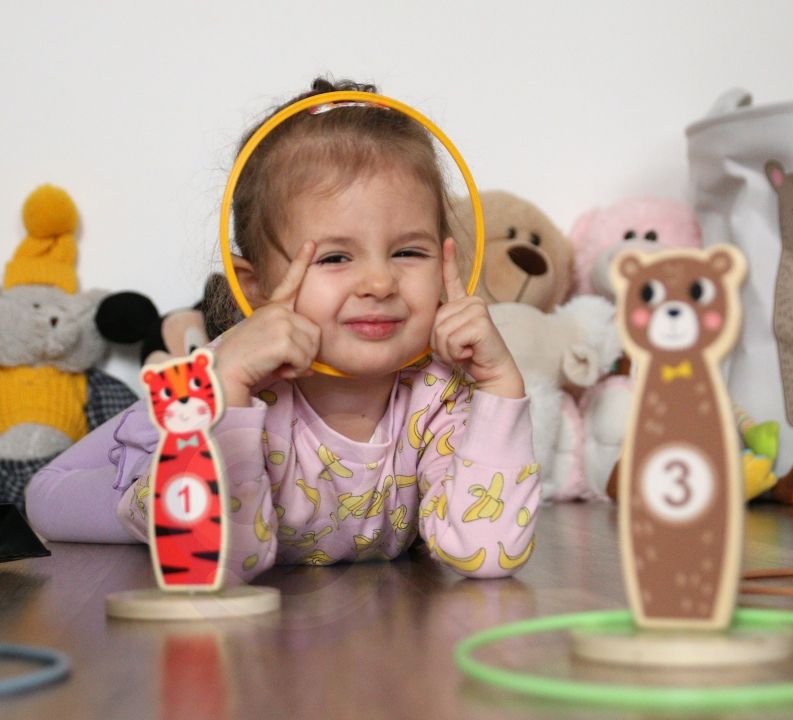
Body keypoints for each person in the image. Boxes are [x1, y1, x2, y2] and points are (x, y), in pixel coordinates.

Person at [25, 78, 540, 581]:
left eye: (408, 252)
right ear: (255, 287)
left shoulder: (443, 394)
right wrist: (227, 393)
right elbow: (224, 561)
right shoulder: (242, 390)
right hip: (185, 438)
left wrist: (500, 387)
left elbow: (485, 553)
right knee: (43, 496)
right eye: (335, 257)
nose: (380, 282)